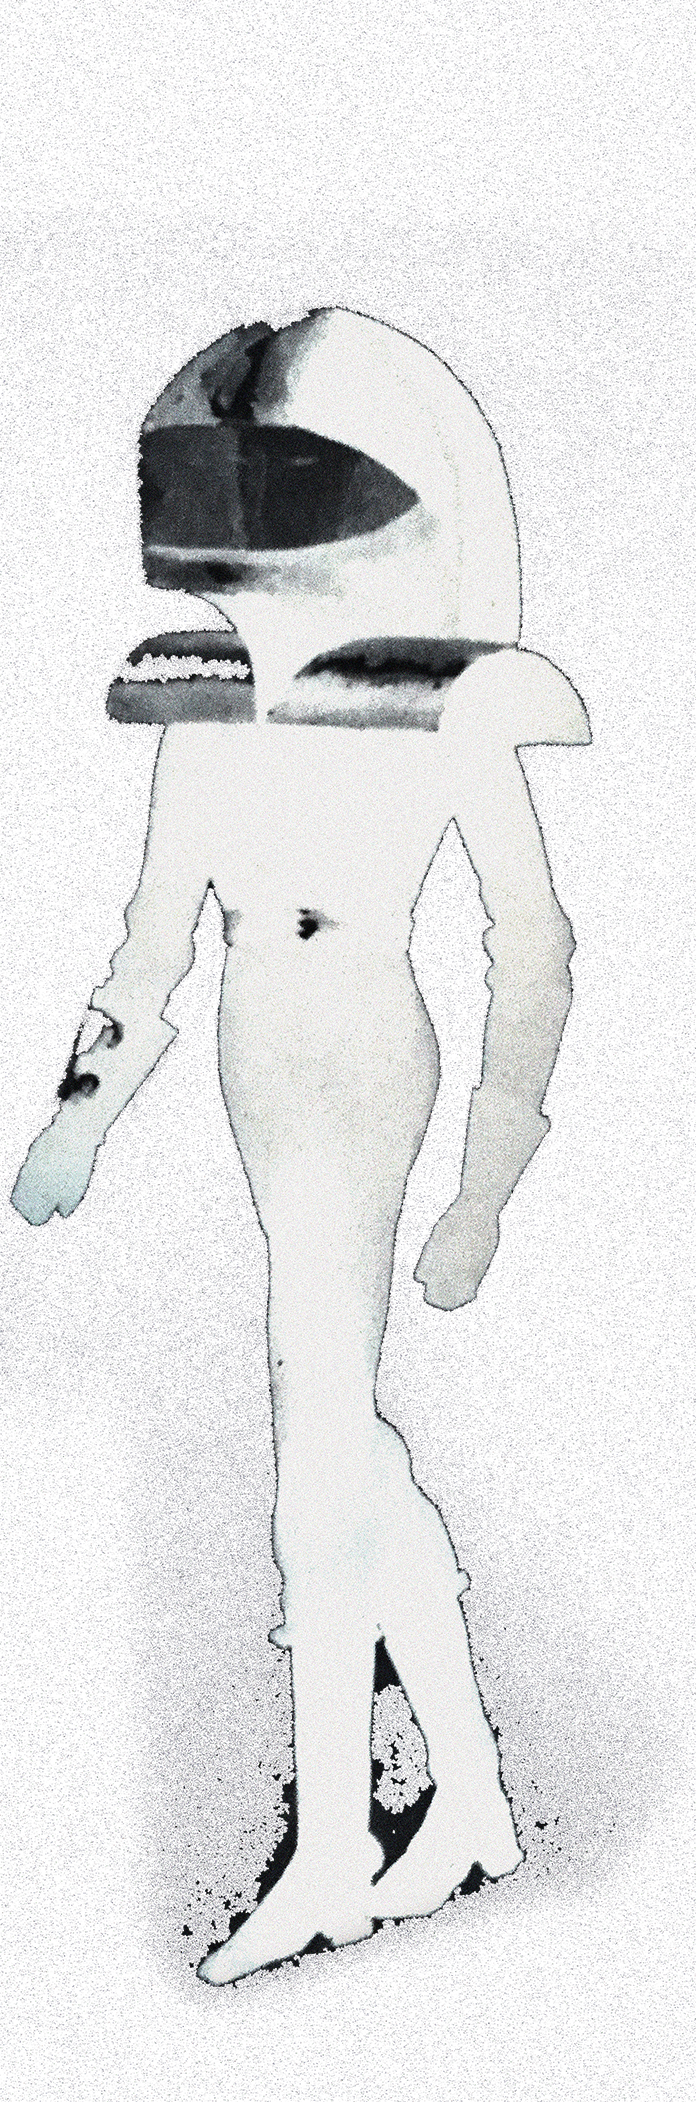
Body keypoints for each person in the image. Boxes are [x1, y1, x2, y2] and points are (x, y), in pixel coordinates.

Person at [12, 309, 590, 1983]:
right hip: (257, 1044)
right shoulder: (204, 704)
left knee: (310, 1458)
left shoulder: (442, 701)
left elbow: (534, 944)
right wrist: (85, 1110)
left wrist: (485, 1182)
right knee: (343, 1440)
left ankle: (337, 1852)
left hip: (364, 1040)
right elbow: (155, 936)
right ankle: (471, 1791)